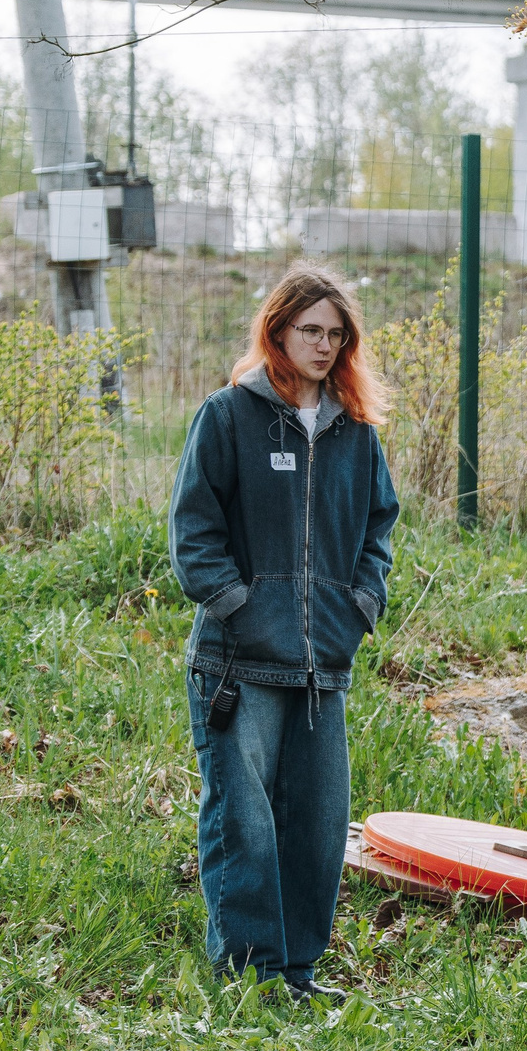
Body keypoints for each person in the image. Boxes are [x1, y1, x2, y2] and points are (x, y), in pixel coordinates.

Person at [168, 263, 400, 1001]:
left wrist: (358, 606)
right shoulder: (228, 415)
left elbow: (378, 527)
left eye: (336, 334)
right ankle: (250, 977)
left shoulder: (355, 434)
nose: (324, 345)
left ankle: (296, 971)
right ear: (277, 330)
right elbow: (193, 532)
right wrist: (240, 605)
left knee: (318, 827)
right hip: (238, 665)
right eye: (311, 331)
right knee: (246, 824)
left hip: (320, 665)